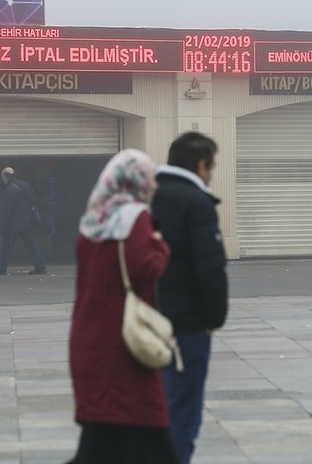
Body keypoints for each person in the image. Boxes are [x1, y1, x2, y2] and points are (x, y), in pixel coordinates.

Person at [66, 149, 180, 464]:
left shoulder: (91, 220)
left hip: (88, 337)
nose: (155, 185)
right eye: (151, 177)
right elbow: (144, 267)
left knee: (104, 434)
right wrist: (160, 244)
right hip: (123, 342)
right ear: (136, 180)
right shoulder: (136, 217)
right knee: (146, 426)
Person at [151, 132, 229, 464]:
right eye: (211, 166)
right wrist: (213, 319)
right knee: (183, 409)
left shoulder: (146, 197)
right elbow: (210, 268)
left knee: (154, 407)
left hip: (146, 321)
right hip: (187, 323)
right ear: (201, 165)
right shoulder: (196, 202)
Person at [0, 166, 47, 275]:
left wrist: (3, 227)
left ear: (6, 177)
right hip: (27, 223)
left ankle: (2, 269)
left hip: (13, 225)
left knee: (6, 247)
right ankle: (40, 267)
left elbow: (6, 211)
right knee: (32, 246)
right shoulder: (26, 186)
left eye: (3, 177)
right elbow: (33, 202)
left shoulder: (8, 190)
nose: (2, 179)